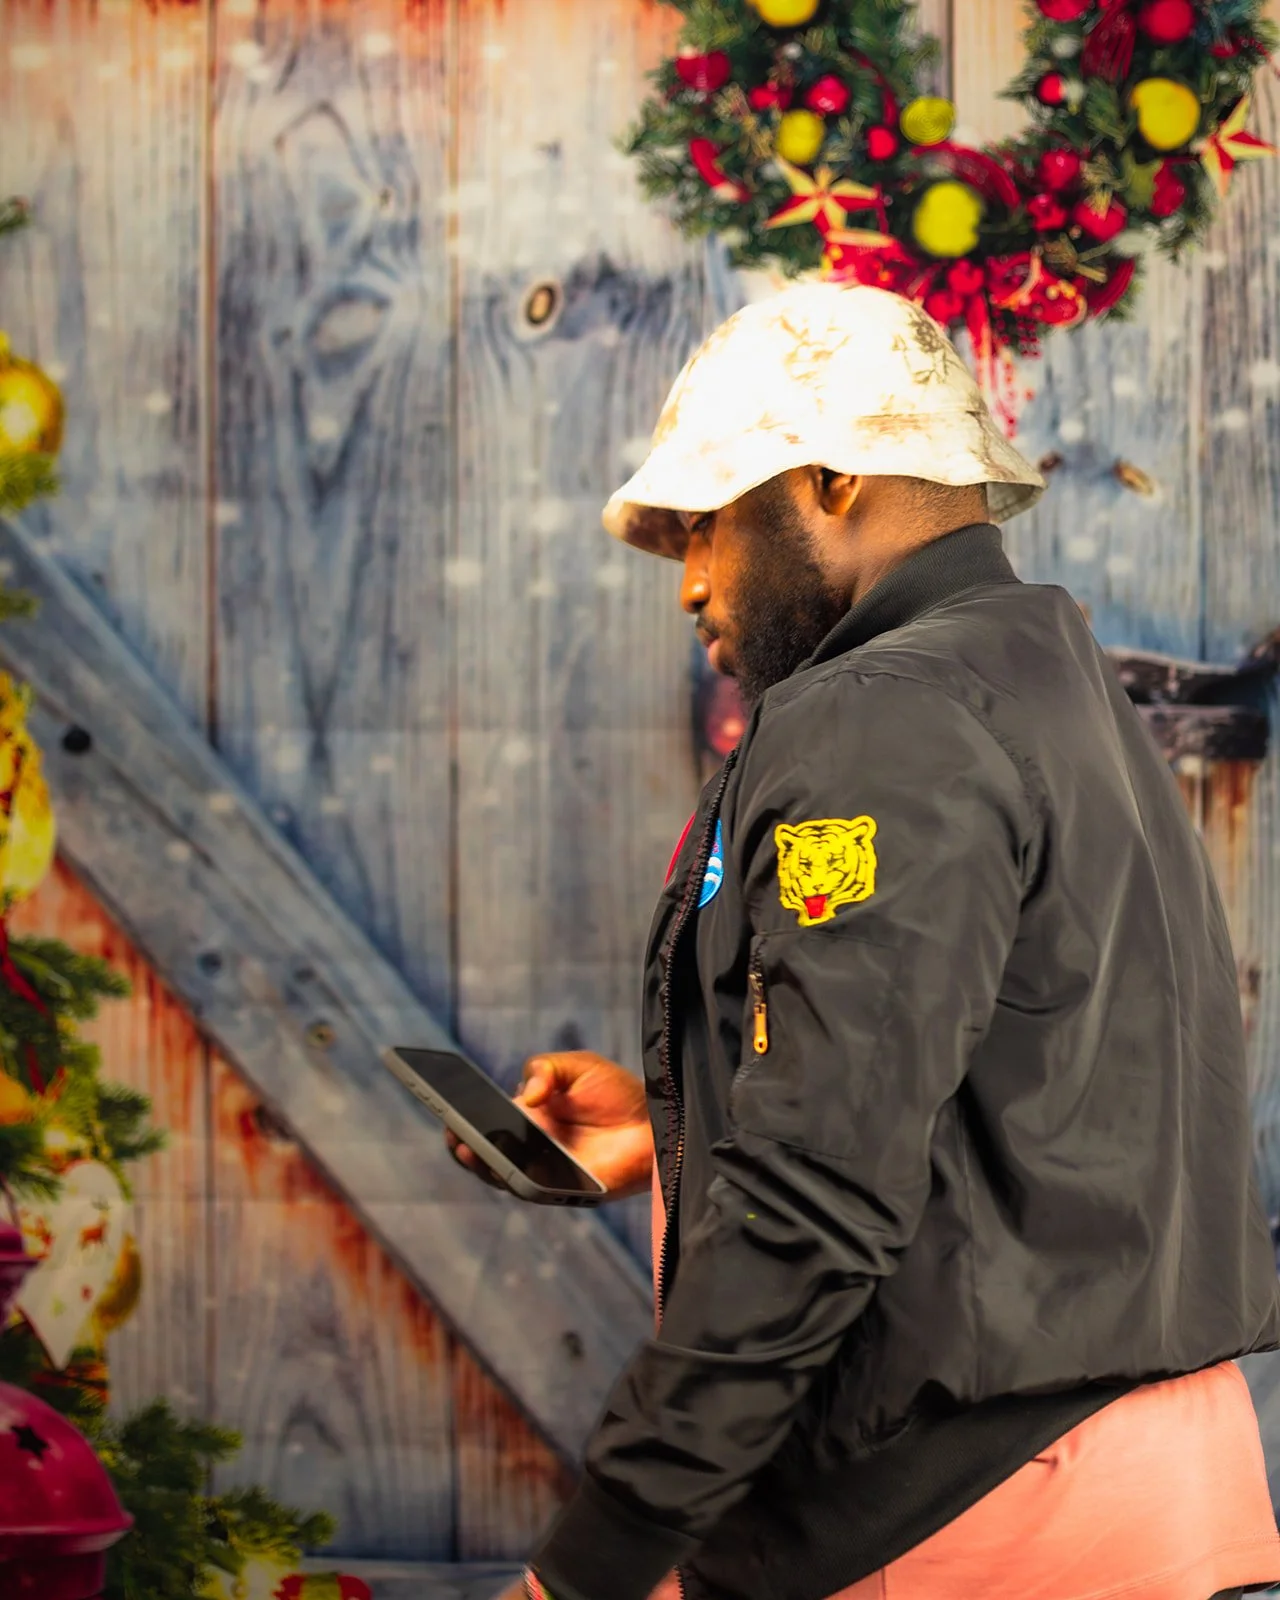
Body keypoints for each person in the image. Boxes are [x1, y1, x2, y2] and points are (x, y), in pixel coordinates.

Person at [457, 284, 1280, 1600]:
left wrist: (595, 1560)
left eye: (708, 526)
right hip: (1133, 1471)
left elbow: (813, 1194)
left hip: (969, 1510)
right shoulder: (1033, 668)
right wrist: (677, 1130)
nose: (694, 586)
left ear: (833, 480)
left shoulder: (880, 718)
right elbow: (1011, 1074)